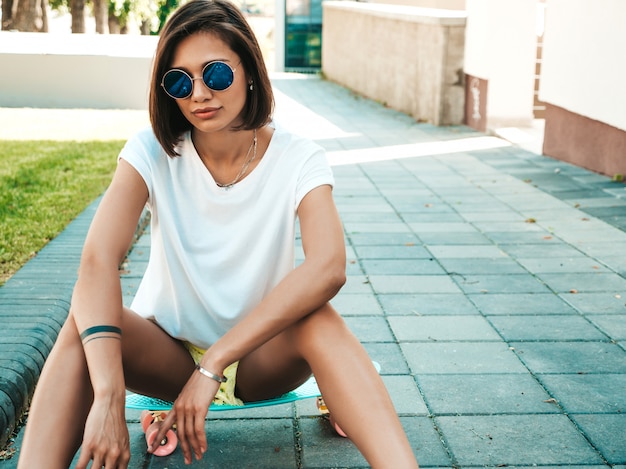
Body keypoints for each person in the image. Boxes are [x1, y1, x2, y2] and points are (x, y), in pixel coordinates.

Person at [17, 1, 420, 467]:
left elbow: (329, 268)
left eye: (216, 74)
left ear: (249, 69)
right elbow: (96, 263)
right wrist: (108, 395)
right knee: (82, 320)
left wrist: (216, 364)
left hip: (258, 358)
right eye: (180, 81)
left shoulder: (299, 157)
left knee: (319, 318)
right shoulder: (151, 149)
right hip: (166, 354)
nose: (200, 93)